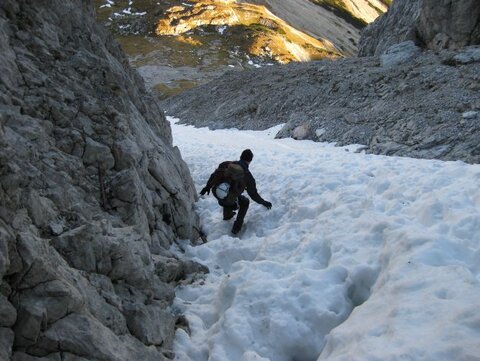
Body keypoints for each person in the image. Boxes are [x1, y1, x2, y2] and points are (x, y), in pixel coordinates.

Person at [200, 149, 272, 234]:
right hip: (228, 199)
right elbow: (253, 195)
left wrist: (207, 187)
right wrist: (263, 202)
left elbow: (214, 175)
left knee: (230, 193)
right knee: (244, 202)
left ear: (240, 157)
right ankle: (236, 228)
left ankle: (227, 216)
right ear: (250, 161)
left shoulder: (226, 164)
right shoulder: (248, 176)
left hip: (216, 192)